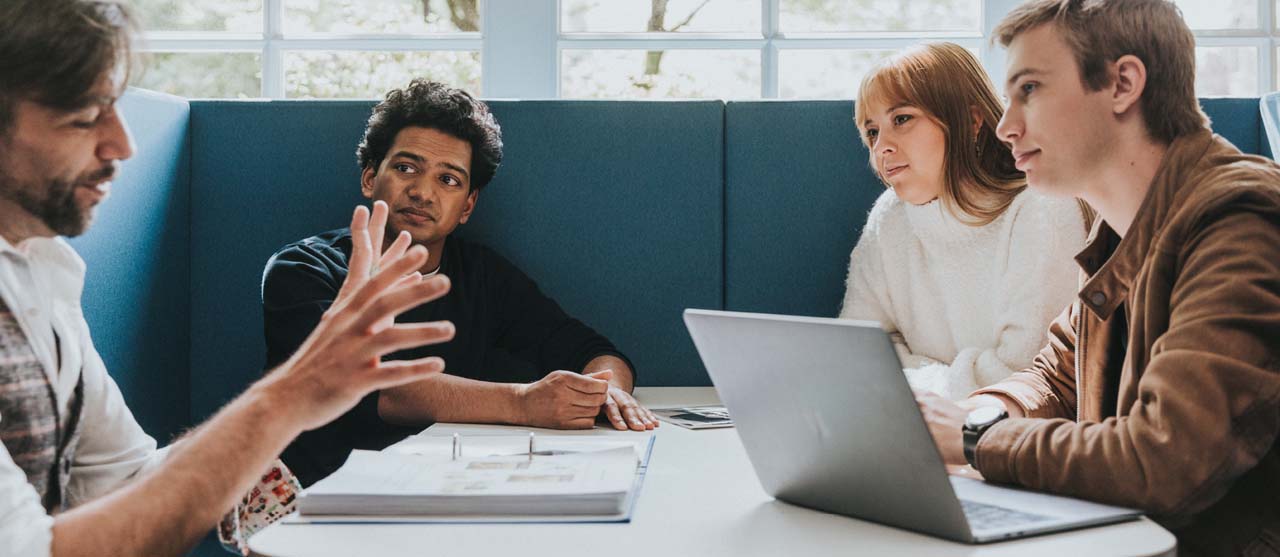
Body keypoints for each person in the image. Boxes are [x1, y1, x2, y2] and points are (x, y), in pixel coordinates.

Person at [0, 1, 458, 555]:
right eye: (83, 116)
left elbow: (129, 484)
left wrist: (300, 390)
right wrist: (292, 393)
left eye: (114, 107)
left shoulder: (43, 268)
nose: (123, 144)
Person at [914, 1, 1280, 554]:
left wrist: (975, 439)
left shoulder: (1239, 222)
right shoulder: (1123, 230)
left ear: (1122, 84)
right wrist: (969, 415)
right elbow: (1056, 378)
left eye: (1029, 89)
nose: (1006, 127)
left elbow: (1164, 458)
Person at [262, 79, 657, 487]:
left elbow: (592, 350)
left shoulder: (481, 275)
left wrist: (605, 393)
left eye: (448, 179)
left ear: (467, 205)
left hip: (443, 487)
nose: (422, 192)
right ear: (369, 177)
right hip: (316, 495)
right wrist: (523, 402)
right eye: (405, 168)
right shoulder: (303, 269)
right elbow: (369, 387)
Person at [841, 42, 1088, 400]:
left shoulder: (1042, 210)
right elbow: (856, 353)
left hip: (1005, 427)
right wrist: (936, 386)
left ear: (972, 121)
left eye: (901, 119)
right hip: (910, 420)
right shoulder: (888, 218)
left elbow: (1027, 376)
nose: (882, 148)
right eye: (872, 132)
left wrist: (916, 382)